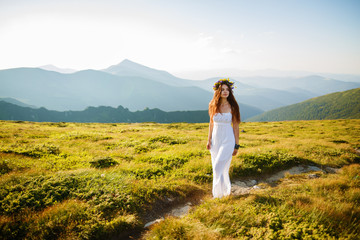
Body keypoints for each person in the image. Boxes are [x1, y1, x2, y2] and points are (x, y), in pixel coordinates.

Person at [206, 78, 241, 198]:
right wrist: (208, 139)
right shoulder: (212, 105)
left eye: (227, 90)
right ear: (218, 92)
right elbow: (211, 123)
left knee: (218, 166)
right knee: (218, 166)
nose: (225, 92)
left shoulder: (233, 106)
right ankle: (222, 193)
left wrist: (236, 145)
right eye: (222, 90)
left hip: (228, 139)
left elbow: (236, 127)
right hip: (215, 140)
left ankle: (219, 194)